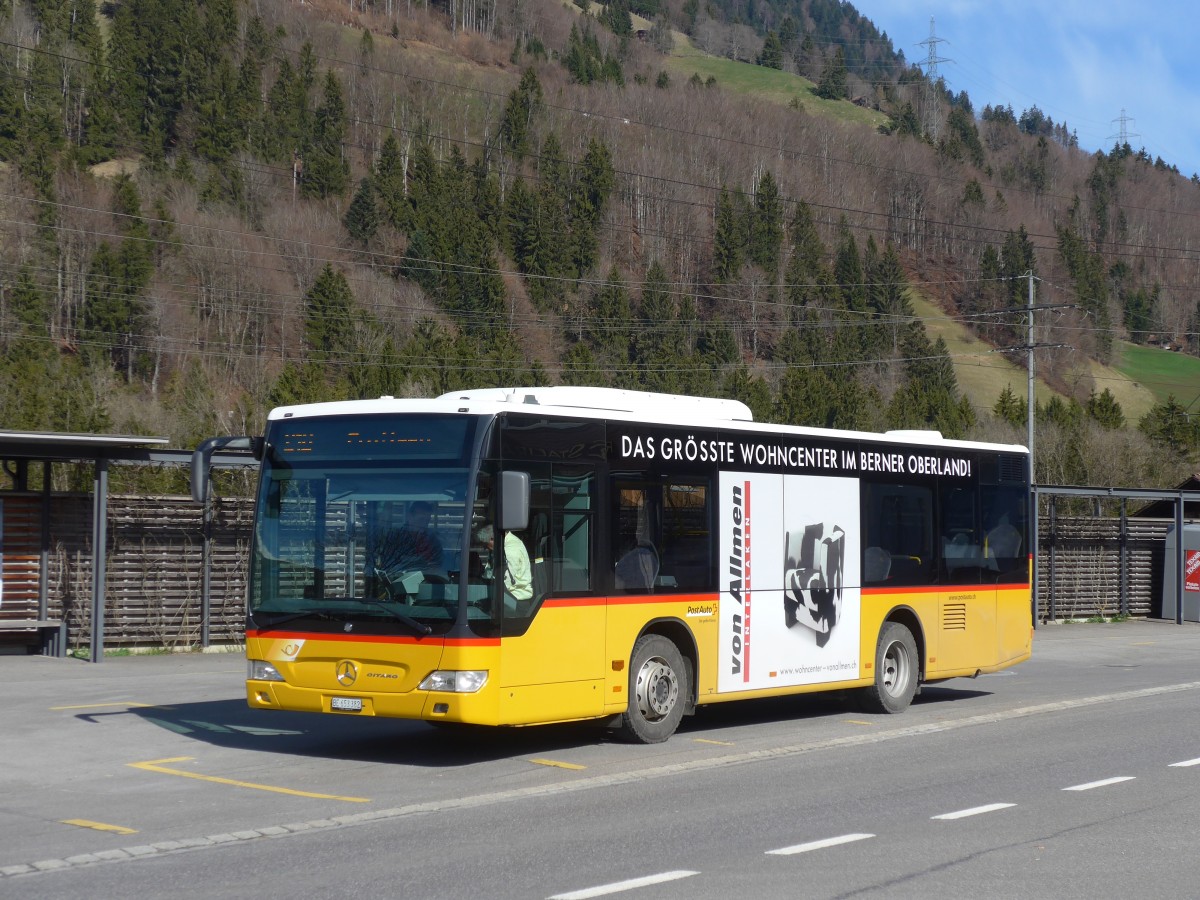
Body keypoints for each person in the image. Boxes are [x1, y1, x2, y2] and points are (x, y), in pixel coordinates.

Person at [377, 501, 444, 576]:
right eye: (421, 519)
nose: (424, 524)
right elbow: (388, 564)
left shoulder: (433, 541)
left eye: (427, 520)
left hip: (426, 580)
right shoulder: (395, 537)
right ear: (409, 517)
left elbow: (436, 566)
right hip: (396, 579)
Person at [475, 523, 532, 609]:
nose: (485, 548)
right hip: (511, 599)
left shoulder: (510, 549)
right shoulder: (504, 545)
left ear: (492, 539)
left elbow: (506, 582)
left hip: (515, 601)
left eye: (485, 544)